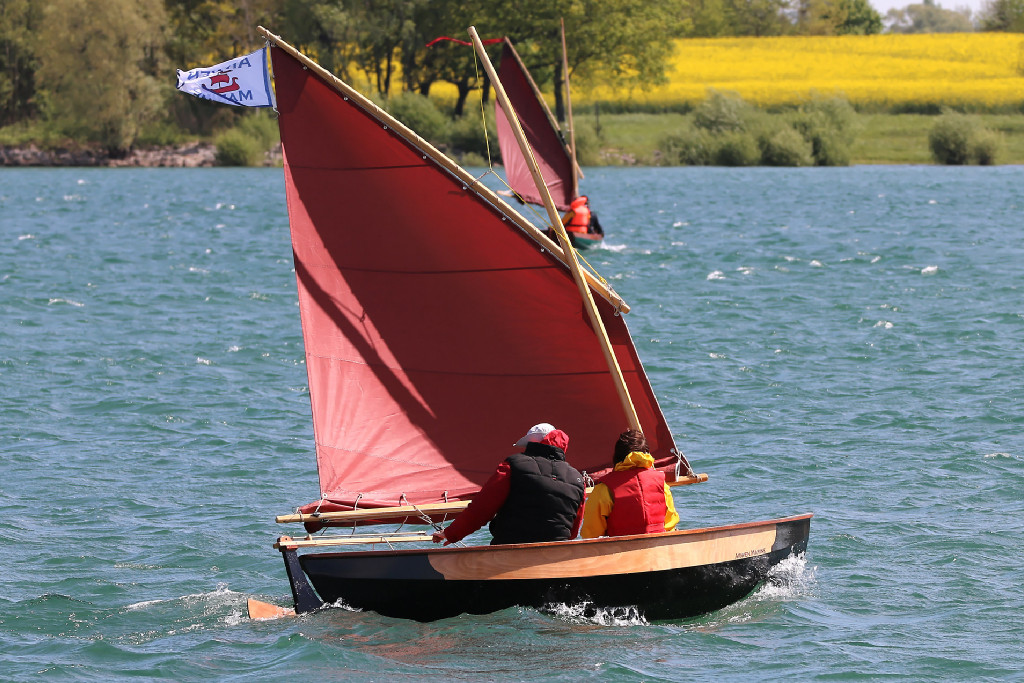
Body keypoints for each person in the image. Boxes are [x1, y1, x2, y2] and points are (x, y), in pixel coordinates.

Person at [432, 423, 586, 546]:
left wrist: (451, 533)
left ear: (531, 444)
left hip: (511, 549)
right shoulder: (578, 479)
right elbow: (573, 529)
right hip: (556, 554)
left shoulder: (513, 465)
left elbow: (482, 508)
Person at [580, 429, 679, 539]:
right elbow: (670, 525)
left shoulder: (604, 489)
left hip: (621, 552)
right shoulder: (661, 484)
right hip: (657, 550)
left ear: (617, 456)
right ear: (647, 455)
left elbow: (590, 534)